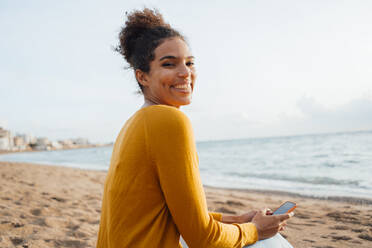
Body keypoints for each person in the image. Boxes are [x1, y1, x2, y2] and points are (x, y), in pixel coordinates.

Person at [97, 8, 294, 248]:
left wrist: (237, 220)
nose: (185, 73)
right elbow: (202, 238)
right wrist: (254, 230)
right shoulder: (169, 120)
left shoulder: (135, 123)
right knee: (272, 242)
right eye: (169, 64)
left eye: (190, 63)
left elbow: (170, 213)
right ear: (143, 77)